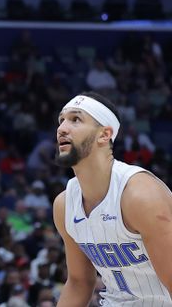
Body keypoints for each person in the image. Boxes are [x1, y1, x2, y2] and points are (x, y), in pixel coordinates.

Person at [53, 91, 172, 305]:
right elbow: (79, 282)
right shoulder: (64, 205)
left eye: (75, 119)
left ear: (104, 135)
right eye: (61, 120)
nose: (62, 128)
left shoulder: (139, 196)